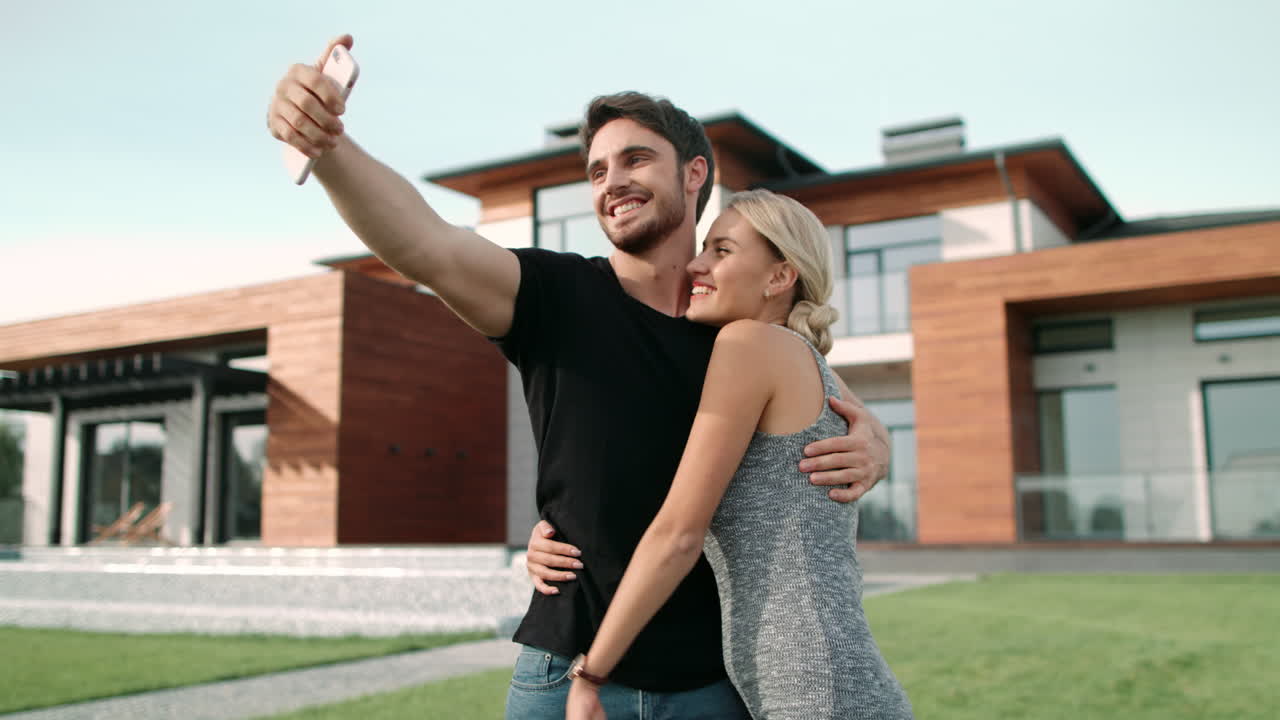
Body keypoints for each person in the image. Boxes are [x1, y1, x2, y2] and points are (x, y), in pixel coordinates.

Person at [266, 35, 892, 720]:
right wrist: (329, 146)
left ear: (694, 174)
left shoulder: (734, 328)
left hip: (714, 685)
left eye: (635, 159)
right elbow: (425, 244)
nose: (611, 182)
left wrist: (876, 444)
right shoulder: (554, 294)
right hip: (566, 675)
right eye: (596, 171)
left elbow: (835, 409)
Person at [563, 189, 914, 720]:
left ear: (780, 276)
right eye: (705, 247)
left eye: (721, 251)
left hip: (814, 690)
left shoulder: (748, 343)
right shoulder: (790, 353)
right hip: (824, 681)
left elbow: (678, 535)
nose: (696, 265)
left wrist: (591, 674)